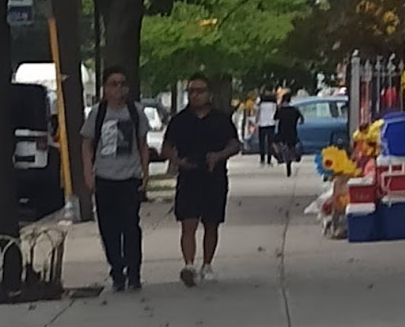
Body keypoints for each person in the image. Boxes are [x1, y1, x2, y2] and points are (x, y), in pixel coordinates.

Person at [163, 74, 241, 286]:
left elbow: (235, 144)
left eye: (200, 91)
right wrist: (178, 161)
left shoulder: (220, 119)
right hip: (189, 176)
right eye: (192, 91)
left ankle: (207, 264)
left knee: (211, 223)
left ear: (209, 94)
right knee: (188, 223)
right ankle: (189, 265)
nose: (195, 95)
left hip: (214, 176)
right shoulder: (179, 120)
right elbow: (166, 147)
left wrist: (219, 156)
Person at [80, 65, 149, 291]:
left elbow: (142, 145)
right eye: (113, 84)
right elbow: (87, 144)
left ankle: (134, 271)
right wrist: (89, 173)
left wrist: (144, 172)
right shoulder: (98, 114)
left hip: (129, 178)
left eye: (122, 84)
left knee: (130, 226)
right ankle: (117, 270)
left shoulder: (135, 112)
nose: (118, 89)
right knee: (109, 229)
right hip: (105, 178)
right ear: (105, 89)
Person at [275, 91, 303, 172]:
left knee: (274, 142)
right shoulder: (294, 110)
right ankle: (294, 155)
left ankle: (280, 156)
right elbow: (301, 118)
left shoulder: (281, 110)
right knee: (292, 144)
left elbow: (275, 118)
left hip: (282, 132)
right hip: (292, 131)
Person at [255, 90, 280, 165]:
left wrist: (256, 122)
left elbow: (257, 112)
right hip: (271, 123)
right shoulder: (274, 103)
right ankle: (269, 160)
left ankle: (262, 159)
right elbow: (276, 112)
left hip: (262, 123)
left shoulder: (260, 103)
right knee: (270, 143)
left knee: (262, 143)